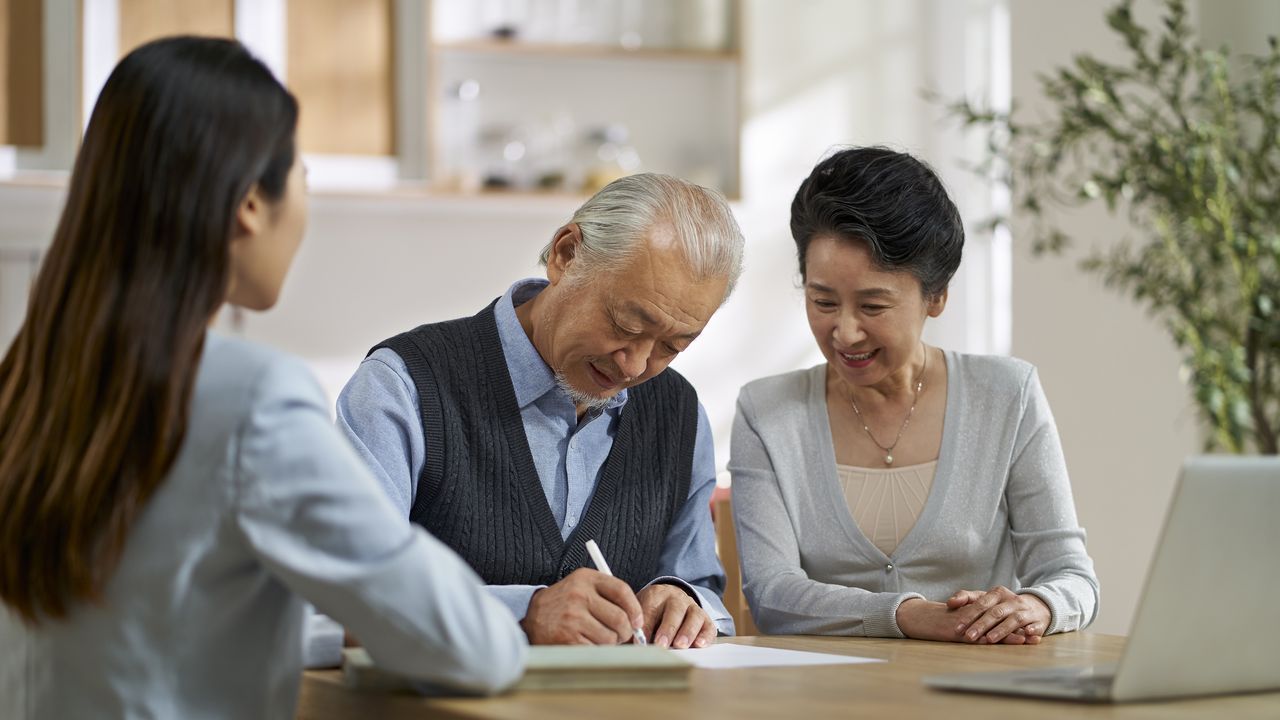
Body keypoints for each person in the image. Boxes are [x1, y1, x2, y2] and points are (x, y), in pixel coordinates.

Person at [0, 37, 526, 719]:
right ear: (250, 202)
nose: (305, 200)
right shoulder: (252, 397)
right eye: (302, 174)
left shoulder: (25, 380)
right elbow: (468, 646)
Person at [337, 173, 743, 648]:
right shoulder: (403, 385)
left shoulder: (677, 413)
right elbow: (344, 594)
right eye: (625, 323)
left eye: (672, 346)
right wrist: (522, 616)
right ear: (567, 255)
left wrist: (683, 602)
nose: (634, 365)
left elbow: (701, 588)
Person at [730, 147, 1099, 644]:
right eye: (822, 301)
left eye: (873, 305)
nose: (845, 332)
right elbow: (772, 595)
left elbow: (1072, 577)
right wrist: (910, 616)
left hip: (974, 688)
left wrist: (1035, 606)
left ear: (937, 295)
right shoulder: (767, 413)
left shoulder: (1007, 396)